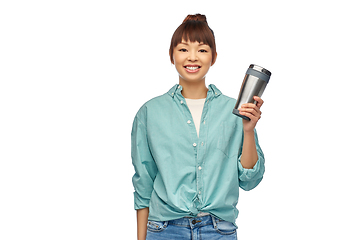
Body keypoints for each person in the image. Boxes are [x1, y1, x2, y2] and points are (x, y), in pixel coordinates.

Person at [131, 14, 265, 240]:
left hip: (219, 230)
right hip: (164, 230)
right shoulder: (150, 112)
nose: (192, 57)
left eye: (202, 50)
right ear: (171, 55)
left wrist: (248, 130)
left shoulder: (235, 111)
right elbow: (143, 183)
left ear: (213, 57)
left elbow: (249, 181)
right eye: (183, 49)